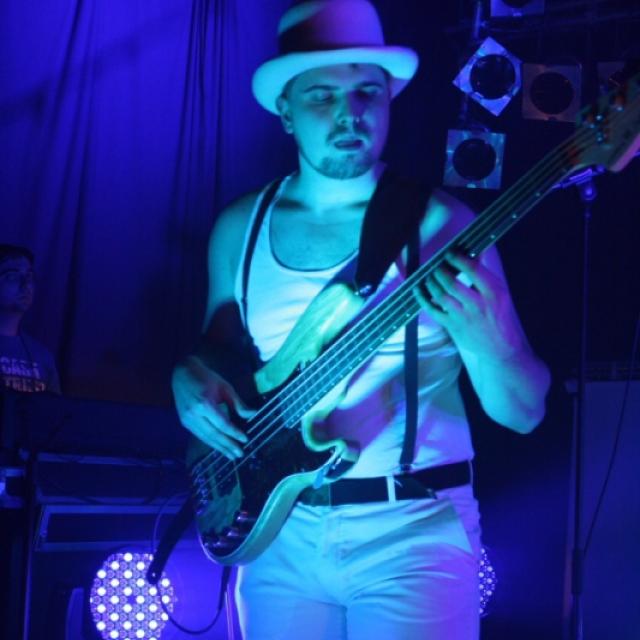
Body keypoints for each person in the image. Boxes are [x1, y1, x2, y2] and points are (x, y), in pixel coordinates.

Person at [172, 1, 550, 638]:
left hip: (412, 529)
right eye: (321, 95)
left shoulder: (444, 225)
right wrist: (187, 375)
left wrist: (494, 338)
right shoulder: (241, 228)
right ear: (285, 111)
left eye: (367, 92)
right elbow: (220, 351)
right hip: (280, 530)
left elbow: (523, 412)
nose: (350, 113)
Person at [0, 244, 60, 394]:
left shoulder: (43, 357)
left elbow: (55, 407)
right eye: (12, 276)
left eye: (29, 276)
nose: (25, 284)